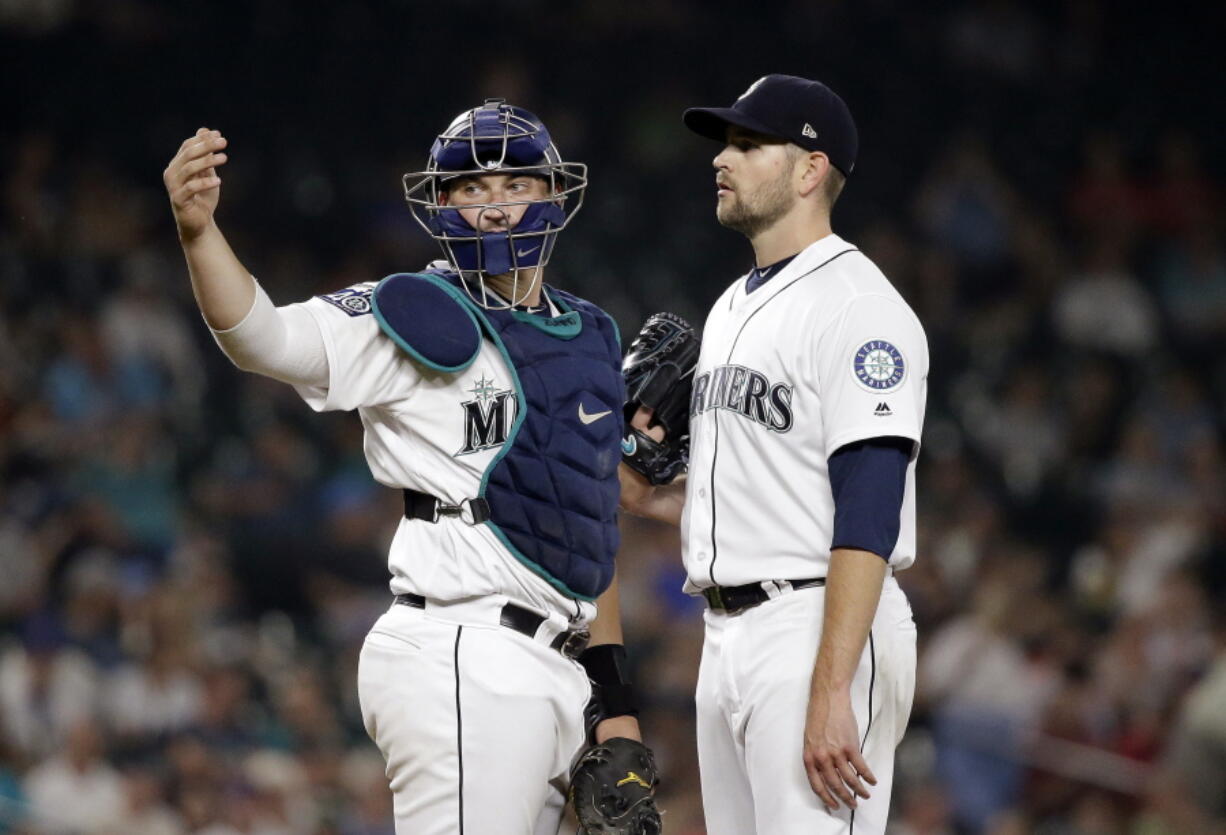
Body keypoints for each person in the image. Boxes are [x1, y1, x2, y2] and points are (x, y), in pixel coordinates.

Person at [163, 99, 655, 835]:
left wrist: (615, 707)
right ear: (442, 203)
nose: (494, 207)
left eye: (515, 184)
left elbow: (590, 525)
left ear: (554, 196)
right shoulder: (412, 310)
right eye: (471, 188)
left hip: (560, 670)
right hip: (460, 647)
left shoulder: (590, 334)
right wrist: (199, 233)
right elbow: (264, 338)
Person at [621, 74, 928, 834]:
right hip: (727, 634)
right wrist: (657, 499)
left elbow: (870, 506)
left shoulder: (860, 308)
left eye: (748, 143)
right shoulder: (731, 304)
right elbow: (765, 489)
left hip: (817, 623)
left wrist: (832, 687)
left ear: (809, 169)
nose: (722, 159)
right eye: (726, 143)